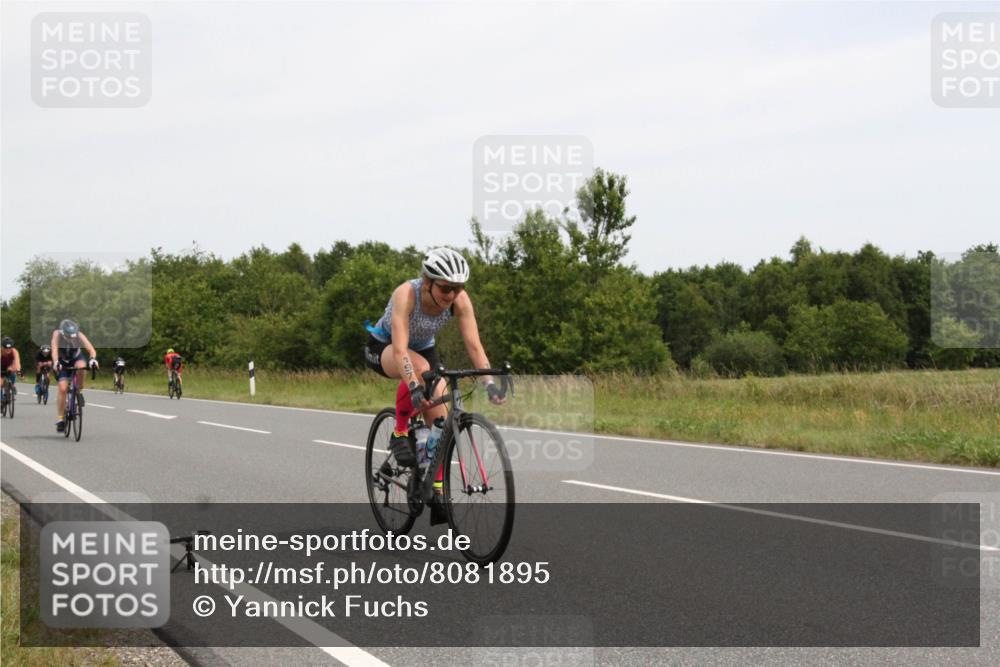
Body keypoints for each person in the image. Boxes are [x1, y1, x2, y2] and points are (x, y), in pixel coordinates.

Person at [364, 247, 505, 523]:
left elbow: (475, 347)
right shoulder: (406, 294)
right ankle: (400, 432)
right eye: (445, 288)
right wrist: (415, 387)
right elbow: (402, 350)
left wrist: (489, 383)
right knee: (421, 371)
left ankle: (436, 488)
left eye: (458, 288)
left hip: (424, 351)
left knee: (440, 419)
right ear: (427, 282)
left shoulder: (459, 301)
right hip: (386, 346)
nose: (451, 295)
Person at [51, 319, 99, 432]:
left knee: (82, 367)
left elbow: (91, 349)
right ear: (63, 333)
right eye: (68, 337)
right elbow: (54, 350)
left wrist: (92, 359)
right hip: (62, 361)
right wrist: (56, 362)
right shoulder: (57, 334)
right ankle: (60, 418)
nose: (71, 339)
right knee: (62, 389)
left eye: (73, 337)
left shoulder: (79, 334)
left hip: (76, 358)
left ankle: (79, 390)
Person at [1, 337, 22, 404]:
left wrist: (19, 371)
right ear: (2, 347)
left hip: (10, 366)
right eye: (6, 348)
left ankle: (12, 385)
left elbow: (17, 361)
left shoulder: (14, 351)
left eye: (10, 348)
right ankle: (1, 399)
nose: (8, 350)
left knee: (12, 369)